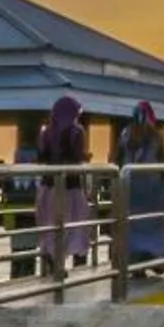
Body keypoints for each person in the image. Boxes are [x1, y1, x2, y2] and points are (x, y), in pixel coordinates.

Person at [33, 96, 93, 268]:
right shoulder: (77, 132)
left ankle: (52, 258)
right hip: (71, 187)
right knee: (74, 224)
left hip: (48, 186)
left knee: (51, 225)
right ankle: (62, 262)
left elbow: (41, 157)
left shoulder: (46, 132)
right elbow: (77, 157)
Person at [120, 102, 164, 273]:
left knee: (134, 225)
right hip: (152, 185)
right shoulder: (157, 135)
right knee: (155, 223)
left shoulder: (125, 134)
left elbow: (116, 158)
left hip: (130, 186)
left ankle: (136, 265)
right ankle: (156, 258)